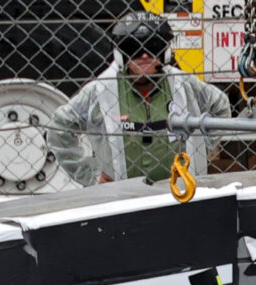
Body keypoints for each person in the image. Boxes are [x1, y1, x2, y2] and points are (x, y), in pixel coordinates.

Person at [48, 11, 231, 186]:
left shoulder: (183, 84)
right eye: (134, 48)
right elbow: (59, 127)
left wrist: (200, 150)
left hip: (178, 191)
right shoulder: (99, 92)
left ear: (164, 53)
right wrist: (90, 176)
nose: (144, 56)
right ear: (121, 54)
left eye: (152, 48)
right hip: (123, 197)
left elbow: (220, 105)